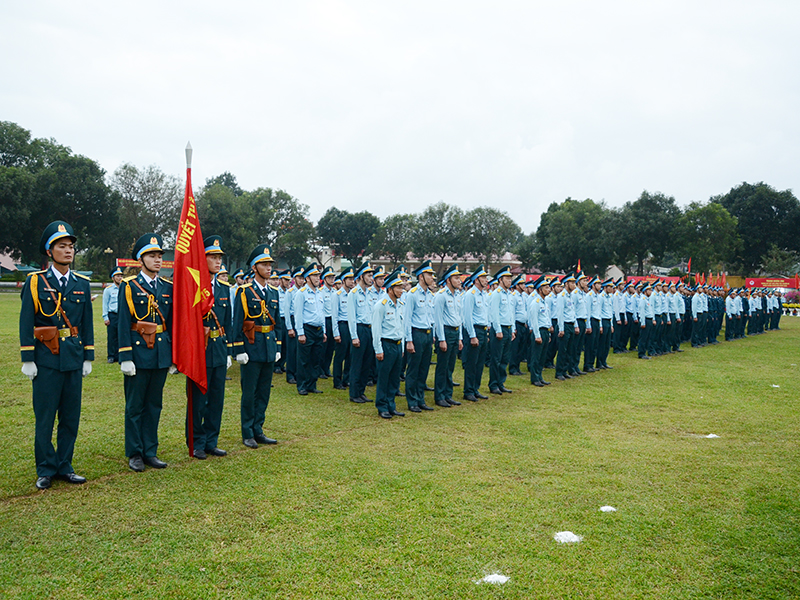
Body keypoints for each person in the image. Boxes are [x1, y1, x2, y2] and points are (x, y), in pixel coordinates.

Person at [20, 220, 94, 490]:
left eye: (71, 246)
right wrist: (28, 358)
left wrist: (88, 356)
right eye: (61, 246)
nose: (68, 251)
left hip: (73, 357)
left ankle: (65, 465)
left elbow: (86, 323)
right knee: (45, 416)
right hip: (46, 358)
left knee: (70, 416)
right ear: (50, 252)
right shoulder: (36, 282)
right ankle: (45, 468)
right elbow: (26, 319)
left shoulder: (81, 284)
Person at [118, 233, 174, 472]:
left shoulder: (167, 287)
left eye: (160, 255)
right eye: (152, 255)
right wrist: (125, 356)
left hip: (160, 352)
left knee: (154, 405)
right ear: (141, 260)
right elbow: (122, 322)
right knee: (135, 406)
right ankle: (135, 452)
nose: (157, 260)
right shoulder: (130, 286)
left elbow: (171, 323)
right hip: (139, 352)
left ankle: (150, 450)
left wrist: (172, 356)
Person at [186, 236, 233, 460]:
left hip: (219, 346)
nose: (217, 261)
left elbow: (229, 321)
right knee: (198, 400)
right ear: (202, 260)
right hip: (200, 349)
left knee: (216, 398)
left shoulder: (224, 288)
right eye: (212, 257)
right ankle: (196, 442)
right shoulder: (193, 286)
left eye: (219, 257)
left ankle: (211, 441)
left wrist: (230, 350)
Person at [233, 244, 281, 448]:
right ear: (254, 267)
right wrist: (238, 349)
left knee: (263, 392)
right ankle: (247, 431)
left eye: (270, 264)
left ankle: (258, 429)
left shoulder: (274, 292)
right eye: (264, 264)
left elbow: (277, 322)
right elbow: (237, 323)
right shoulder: (244, 292)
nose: (269, 268)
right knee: (250, 392)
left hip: (268, 347)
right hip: (251, 347)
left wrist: (278, 347)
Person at [372, 270, 406, 419]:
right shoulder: (381, 305)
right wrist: (378, 349)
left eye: (402, 287)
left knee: (394, 378)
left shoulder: (400, 304)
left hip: (397, 345)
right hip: (386, 345)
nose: (401, 290)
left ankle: (391, 405)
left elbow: (401, 326)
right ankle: (382, 406)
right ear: (390, 289)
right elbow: (376, 329)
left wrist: (402, 346)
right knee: (384, 377)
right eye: (398, 287)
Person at [404, 260, 437, 407]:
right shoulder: (412, 294)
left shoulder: (430, 295)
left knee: (424, 368)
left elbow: (431, 317)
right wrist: (409, 340)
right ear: (421, 276)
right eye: (429, 275)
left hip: (427, 334)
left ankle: (420, 398)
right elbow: (407, 318)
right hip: (416, 334)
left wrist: (433, 334)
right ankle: (412, 400)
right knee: (413, 369)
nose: (432, 278)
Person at [433, 264, 463, 409]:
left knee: (450, 366)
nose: (460, 281)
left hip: (455, 331)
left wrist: (460, 338)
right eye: (456, 278)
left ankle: (448, 394)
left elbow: (459, 317)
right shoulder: (441, 296)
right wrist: (441, 339)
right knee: (442, 366)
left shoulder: (458, 295)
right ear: (448, 280)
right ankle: (439, 396)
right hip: (445, 331)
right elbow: (437, 319)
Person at [294, 263, 326, 395]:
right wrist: (300, 333)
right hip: (307, 329)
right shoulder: (301, 293)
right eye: (314, 275)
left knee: (315, 359)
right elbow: (298, 314)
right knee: (304, 359)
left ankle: (312, 384)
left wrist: (323, 331)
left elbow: (321, 312)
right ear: (307, 278)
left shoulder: (319, 293)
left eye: (318, 275)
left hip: (318, 330)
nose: (318, 278)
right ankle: (302, 385)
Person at [348, 261, 376, 403]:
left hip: (370, 329)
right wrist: (354, 336)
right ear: (361, 276)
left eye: (372, 275)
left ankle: (361, 391)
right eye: (369, 276)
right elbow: (351, 317)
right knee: (357, 363)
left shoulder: (370, 293)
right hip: (359, 329)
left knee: (367, 363)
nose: (372, 278)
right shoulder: (353, 293)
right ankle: (354, 393)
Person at [461, 265, 490, 402]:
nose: (486, 280)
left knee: (480, 362)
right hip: (475, 330)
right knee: (472, 362)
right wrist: (472, 335)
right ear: (476, 279)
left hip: (483, 330)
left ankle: (475, 388)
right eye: (483, 277)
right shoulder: (470, 295)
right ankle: (468, 391)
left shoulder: (484, 295)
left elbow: (485, 314)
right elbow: (467, 317)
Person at [488, 265, 516, 394]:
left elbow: (511, 313)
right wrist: (498, 330)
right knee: (496, 358)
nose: (510, 281)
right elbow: (494, 313)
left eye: (510, 278)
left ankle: (501, 382)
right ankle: (493, 384)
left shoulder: (509, 294)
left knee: (505, 358)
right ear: (500, 280)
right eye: (507, 278)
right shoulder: (496, 294)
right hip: (499, 329)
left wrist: (513, 329)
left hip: (508, 328)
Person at [331, 267, 354, 390]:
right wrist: (336, 333)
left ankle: (347, 379)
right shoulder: (337, 295)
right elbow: (334, 315)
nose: (352, 281)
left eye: (352, 279)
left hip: (351, 325)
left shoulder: (352, 294)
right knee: (340, 355)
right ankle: (337, 380)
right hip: (342, 325)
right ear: (343, 280)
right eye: (349, 279)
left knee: (350, 355)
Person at [527, 275, 552, 387]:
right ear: (540, 289)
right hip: (539, 331)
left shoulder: (544, 302)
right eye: (546, 287)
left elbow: (546, 318)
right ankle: (534, 378)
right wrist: (537, 335)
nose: (549, 289)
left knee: (542, 356)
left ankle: (540, 376)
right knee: (536, 357)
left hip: (545, 331)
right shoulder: (535, 302)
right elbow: (534, 320)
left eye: (548, 287)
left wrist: (549, 333)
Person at [555, 273, 577, 381]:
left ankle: (565, 370)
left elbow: (573, 312)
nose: (574, 285)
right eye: (572, 283)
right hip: (565, 325)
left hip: (571, 324)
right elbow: (560, 313)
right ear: (566, 284)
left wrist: (575, 325)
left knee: (569, 350)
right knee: (562, 350)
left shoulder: (571, 296)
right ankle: (559, 372)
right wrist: (561, 329)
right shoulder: (561, 296)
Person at [508, 275, 529, 376]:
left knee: (521, 347)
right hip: (516, 324)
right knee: (515, 348)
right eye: (522, 284)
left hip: (523, 324)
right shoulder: (514, 296)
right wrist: (513, 328)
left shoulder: (523, 296)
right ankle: (513, 368)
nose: (524, 285)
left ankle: (517, 367)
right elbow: (512, 312)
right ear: (516, 286)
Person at [102, 266, 123, 363]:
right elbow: (105, 304)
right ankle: (111, 355)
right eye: (117, 276)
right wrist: (105, 317)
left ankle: (119, 355)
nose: (119, 278)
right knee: (111, 336)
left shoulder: (125, 288)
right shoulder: (108, 290)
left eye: (121, 276)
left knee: (121, 335)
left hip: (122, 315)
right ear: (112, 278)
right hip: (112, 315)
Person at [320, 266, 337, 379]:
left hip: (333, 320)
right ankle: (320, 369)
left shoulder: (335, 292)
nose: (332, 280)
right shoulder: (321, 292)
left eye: (333, 277)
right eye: (329, 277)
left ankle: (326, 368)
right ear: (324, 279)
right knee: (323, 347)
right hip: (325, 319)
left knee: (331, 346)